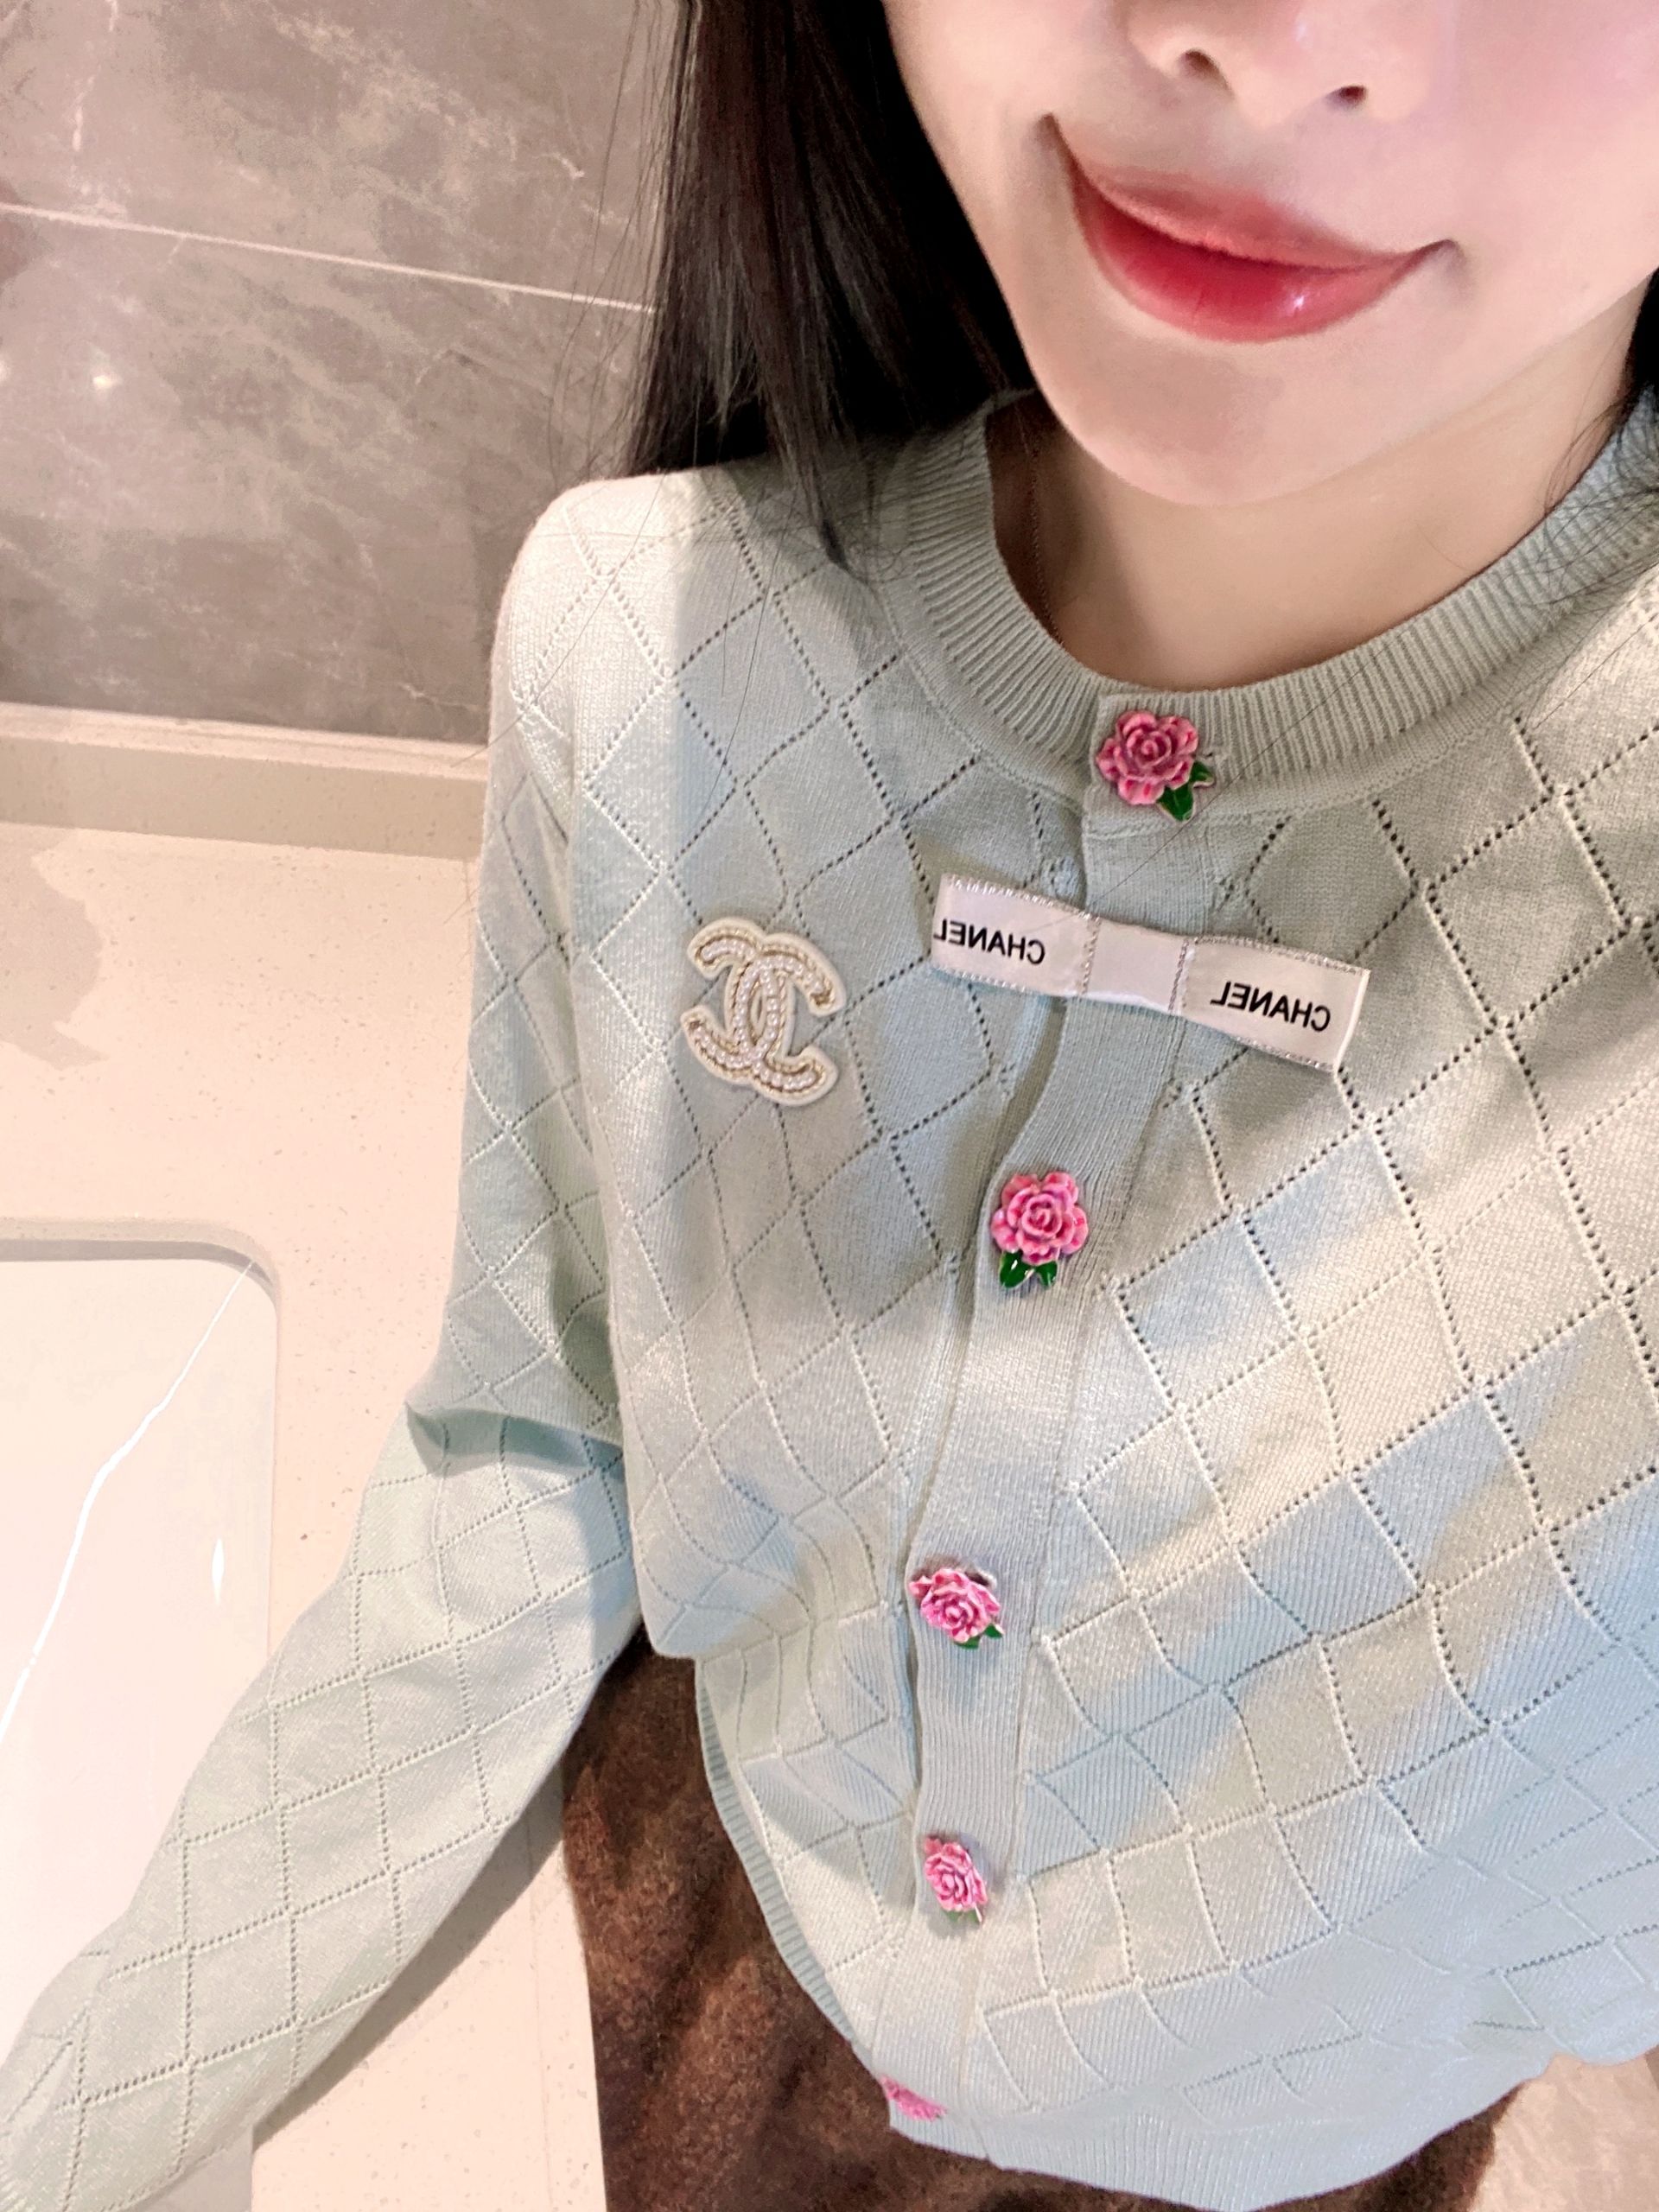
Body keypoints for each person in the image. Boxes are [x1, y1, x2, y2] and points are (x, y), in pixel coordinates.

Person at [7, 3, 1659, 2209]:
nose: (1262, 37)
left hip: (1326, 2149)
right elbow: (537, 1438)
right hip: (686, 1970)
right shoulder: (645, 636)